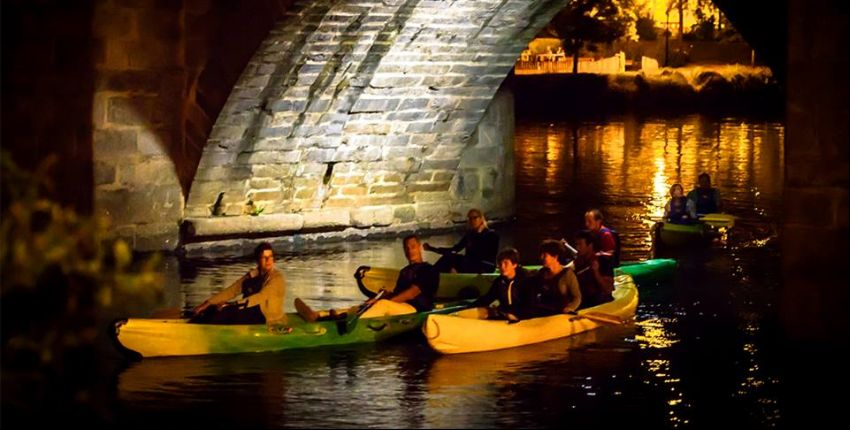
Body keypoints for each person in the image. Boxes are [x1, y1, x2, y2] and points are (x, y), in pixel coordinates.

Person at [295, 234, 439, 322]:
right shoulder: (404, 271)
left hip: (416, 309)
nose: (409, 250)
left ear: (419, 247)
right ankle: (319, 315)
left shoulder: (428, 270)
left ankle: (348, 321)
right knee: (363, 305)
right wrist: (381, 296)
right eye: (406, 248)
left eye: (412, 247)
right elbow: (398, 293)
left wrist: (382, 301)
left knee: (381, 305)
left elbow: (411, 293)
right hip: (400, 306)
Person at [190, 242, 289, 332]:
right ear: (258, 260)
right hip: (250, 309)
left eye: (270, 257)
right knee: (212, 309)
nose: (268, 260)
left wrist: (231, 305)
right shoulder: (252, 275)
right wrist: (207, 303)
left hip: (265, 316)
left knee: (224, 313)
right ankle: (193, 326)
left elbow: (260, 297)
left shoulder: (277, 278)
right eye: (264, 257)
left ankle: (204, 331)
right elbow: (232, 290)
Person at [424, 208, 500, 274]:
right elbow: (455, 249)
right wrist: (433, 249)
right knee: (448, 257)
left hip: (485, 266)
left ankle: (431, 274)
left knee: (452, 259)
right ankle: (431, 273)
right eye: (470, 218)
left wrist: (479, 235)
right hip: (471, 264)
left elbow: (489, 254)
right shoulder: (470, 235)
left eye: (475, 218)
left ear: (481, 219)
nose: (472, 221)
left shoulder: (492, 234)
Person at [524, 239, 581, 317]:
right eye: (541, 254)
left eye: (545, 255)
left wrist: (570, 308)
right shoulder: (541, 273)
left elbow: (577, 297)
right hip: (543, 316)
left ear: (555, 256)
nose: (541, 257)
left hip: (561, 317)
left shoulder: (567, 274)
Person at [471, 248, 531, 321]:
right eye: (500, 263)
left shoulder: (526, 281)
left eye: (506, 263)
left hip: (523, 318)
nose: (502, 267)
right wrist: (469, 307)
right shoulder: (499, 282)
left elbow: (530, 304)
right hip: (506, 316)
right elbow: (488, 298)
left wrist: (518, 315)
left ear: (514, 264)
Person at [572, 230, 614, 309]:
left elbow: (608, 289)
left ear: (590, 245)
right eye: (576, 245)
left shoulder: (603, 261)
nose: (577, 248)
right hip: (583, 300)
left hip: (599, 301)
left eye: (580, 244)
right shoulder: (578, 261)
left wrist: (596, 272)